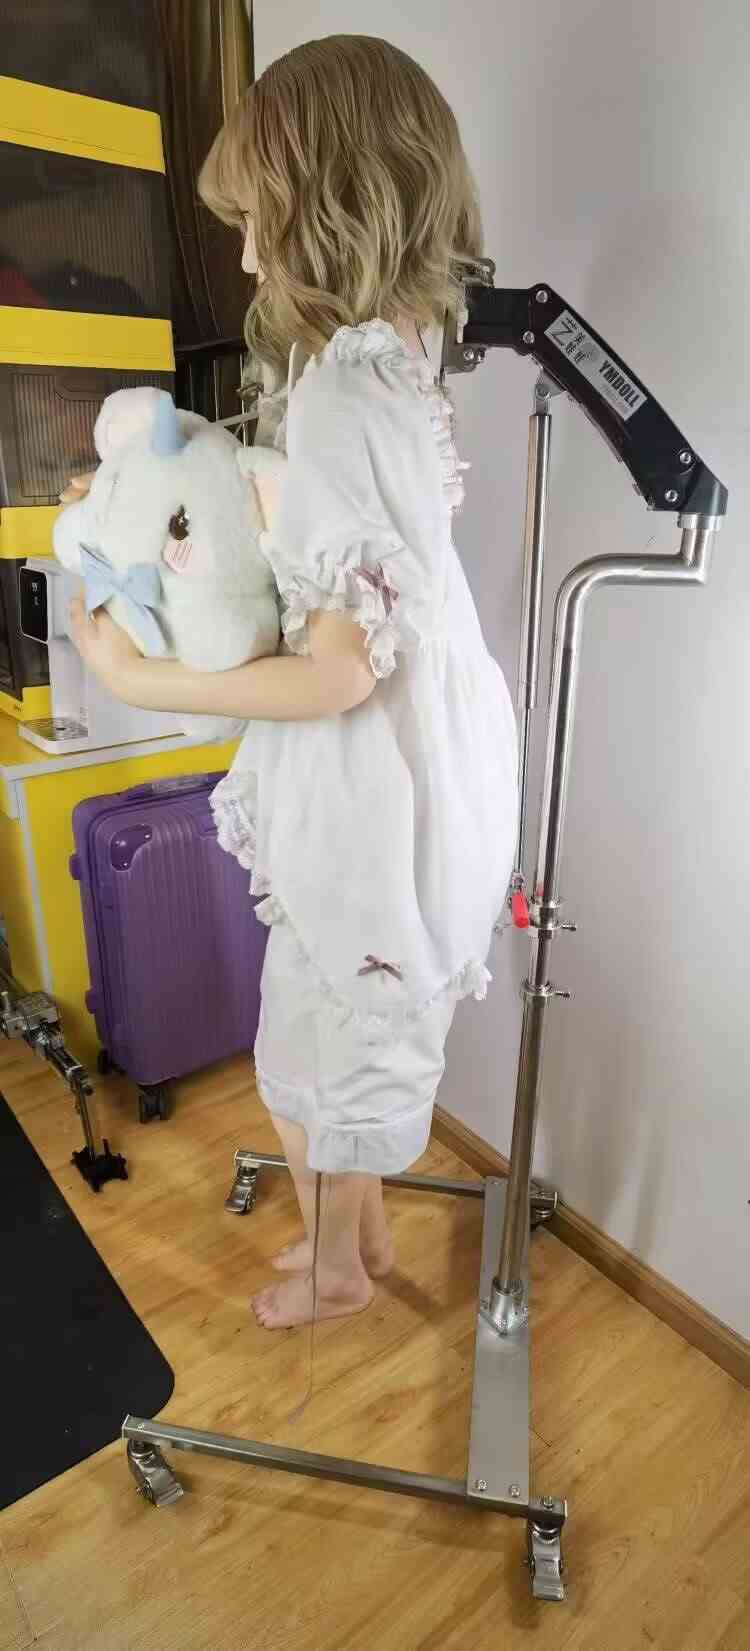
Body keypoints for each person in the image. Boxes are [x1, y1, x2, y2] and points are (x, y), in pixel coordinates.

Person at [68, 35, 519, 1332]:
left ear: (327, 207)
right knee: (333, 1023)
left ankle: (338, 1266)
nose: (251, 259)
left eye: (258, 224)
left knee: (324, 1037)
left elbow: (332, 672)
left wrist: (138, 669)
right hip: (413, 750)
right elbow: (347, 569)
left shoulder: (348, 393)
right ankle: (351, 1243)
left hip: (377, 772)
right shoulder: (393, 356)